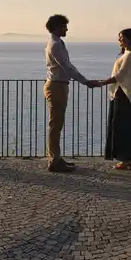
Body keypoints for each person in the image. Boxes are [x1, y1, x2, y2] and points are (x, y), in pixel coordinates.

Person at [44, 14, 96, 173]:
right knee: (55, 125)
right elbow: (67, 67)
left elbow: (68, 66)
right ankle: (54, 161)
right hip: (57, 86)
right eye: (64, 26)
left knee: (57, 124)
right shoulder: (55, 45)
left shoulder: (57, 43)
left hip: (59, 85)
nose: (66, 28)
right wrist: (85, 81)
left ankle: (56, 158)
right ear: (56, 27)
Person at [94, 28, 131, 170]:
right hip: (121, 94)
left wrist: (102, 83)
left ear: (129, 39)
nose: (119, 40)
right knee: (124, 125)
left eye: (121, 37)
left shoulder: (129, 55)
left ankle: (126, 159)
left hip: (123, 95)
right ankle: (128, 158)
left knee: (122, 126)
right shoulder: (128, 55)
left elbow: (121, 75)